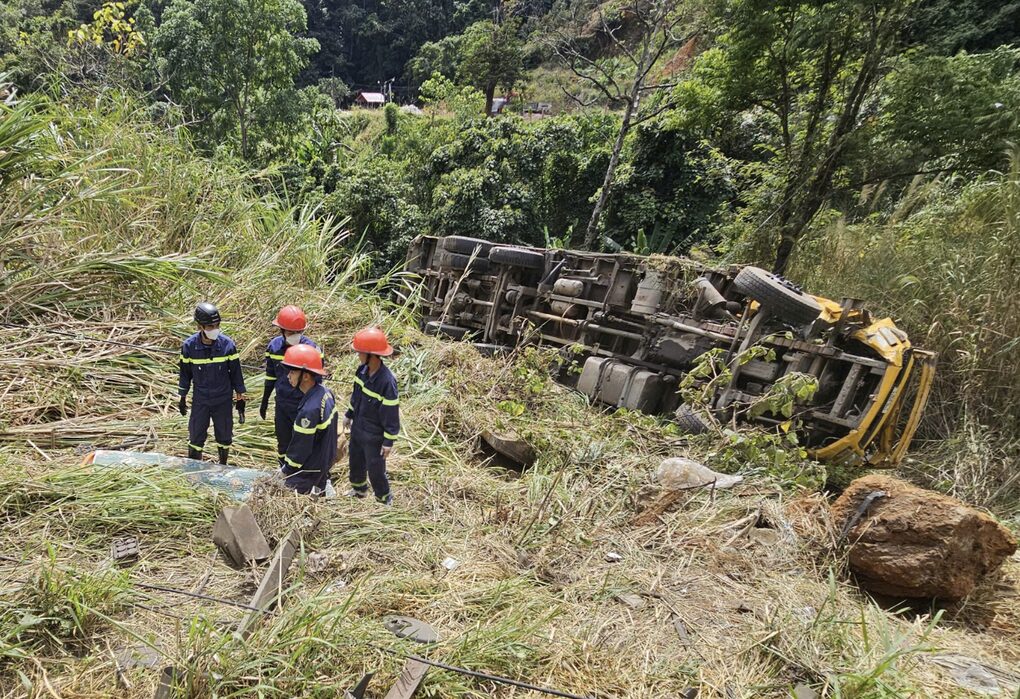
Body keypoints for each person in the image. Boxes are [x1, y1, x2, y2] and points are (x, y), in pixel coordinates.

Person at [178, 302, 246, 464]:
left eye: (217, 325)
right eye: (210, 326)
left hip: (222, 398)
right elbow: (185, 374)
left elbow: (236, 373)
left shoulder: (227, 345)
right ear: (200, 326)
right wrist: (182, 397)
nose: (214, 329)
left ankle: (223, 464)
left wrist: (240, 399)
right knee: (196, 435)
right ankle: (194, 468)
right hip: (201, 399)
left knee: (224, 435)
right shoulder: (189, 347)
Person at [259, 305, 323, 469]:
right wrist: (265, 400)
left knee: (304, 441)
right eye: (289, 332)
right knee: (283, 442)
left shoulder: (313, 350)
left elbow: (318, 383)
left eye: (297, 332)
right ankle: (283, 472)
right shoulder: (274, 347)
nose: (293, 336)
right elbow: (270, 375)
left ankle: (307, 473)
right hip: (282, 404)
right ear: (281, 330)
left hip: (303, 405)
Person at [344, 327, 400, 505]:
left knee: (376, 469)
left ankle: (384, 499)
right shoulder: (361, 371)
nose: (358, 355)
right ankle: (359, 490)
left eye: (360, 352)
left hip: (375, 435)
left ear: (372, 355)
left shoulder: (387, 381)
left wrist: (388, 441)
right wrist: (349, 414)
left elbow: (391, 413)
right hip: (359, 427)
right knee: (355, 461)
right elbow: (356, 396)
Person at [279, 343, 338, 495]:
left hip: (309, 469)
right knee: (319, 496)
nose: (288, 376)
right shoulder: (326, 393)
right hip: (324, 462)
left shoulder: (309, 410)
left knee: (291, 500)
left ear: (305, 376)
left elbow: (300, 448)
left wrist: (286, 470)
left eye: (292, 371)